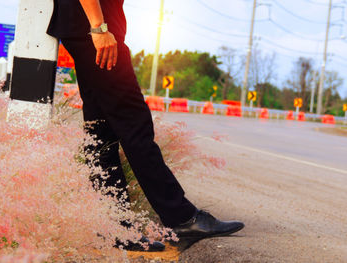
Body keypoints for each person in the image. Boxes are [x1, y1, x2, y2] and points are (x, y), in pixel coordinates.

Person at [47, 0, 244, 252]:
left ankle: (116, 228)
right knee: (134, 125)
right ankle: (182, 219)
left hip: (85, 27)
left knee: (101, 133)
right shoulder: (96, 29)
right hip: (94, 29)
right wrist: (98, 27)